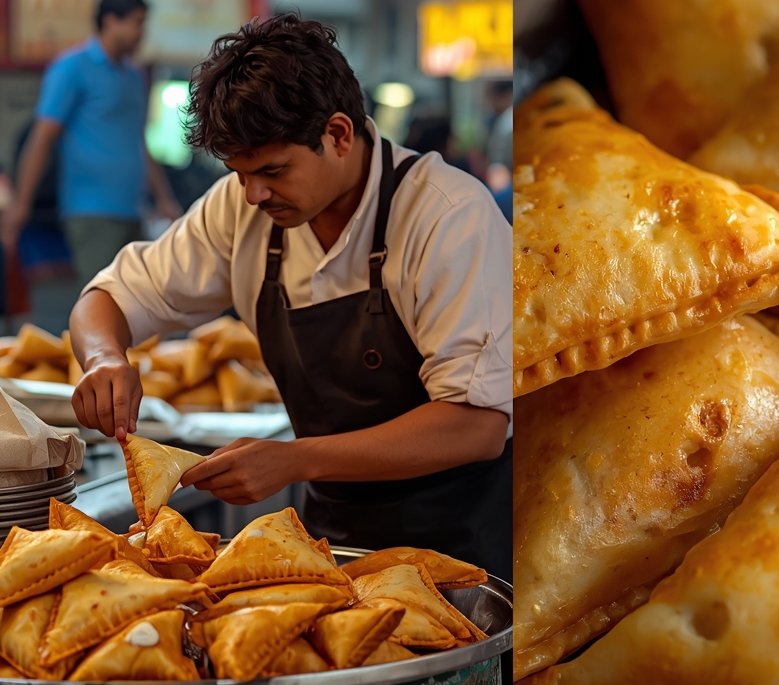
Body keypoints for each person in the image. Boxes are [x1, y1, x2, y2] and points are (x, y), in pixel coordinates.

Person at [67, 13, 512, 580]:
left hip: (462, 545)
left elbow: (476, 425)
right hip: (334, 545)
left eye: (273, 170)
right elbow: (106, 297)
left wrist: (296, 459)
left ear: (339, 134)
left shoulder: (448, 216)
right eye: (238, 173)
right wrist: (105, 358)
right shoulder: (242, 206)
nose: (253, 194)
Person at [1, 0, 181, 296]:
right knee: (104, 302)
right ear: (110, 21)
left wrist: (164, 198)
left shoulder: (133, 75)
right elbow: (42, 137)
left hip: (135, 210)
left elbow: (139, 140)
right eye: (137, 23)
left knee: (143, 304)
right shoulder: (72, 67)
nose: (142, 32)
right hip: (90, 211)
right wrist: (22, 204)